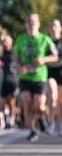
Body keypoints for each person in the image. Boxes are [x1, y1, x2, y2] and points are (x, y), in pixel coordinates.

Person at [13, 13, 58, 142]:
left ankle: (42, 118)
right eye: (29, 21)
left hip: (40, 77)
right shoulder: (21, 39)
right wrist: (19, 66)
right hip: (25, 76)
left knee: (38, 105)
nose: (31, 24)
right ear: (26, 24)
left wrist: (43, 59)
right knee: (26, 101)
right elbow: (15, 57)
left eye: (33, 22)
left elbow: (55, 56)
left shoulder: (45, 39)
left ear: (38, 24)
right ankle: (32, 130)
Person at [0, 33, 20, 129]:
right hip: (2, 80)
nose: (5, 43)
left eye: (7, 41)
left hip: (13, 80)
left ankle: (12, 118)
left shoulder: (14, 53)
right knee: (3, 101)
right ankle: (6, 118)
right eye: (4, 41)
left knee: (11, 100)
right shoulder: (1, 53)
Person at [46, 19, 62, 135]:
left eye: (56, 26)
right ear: (48, 29)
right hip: (49, 73)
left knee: (60, 102)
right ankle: (50, 121)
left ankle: (59, 125)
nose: (53, 28)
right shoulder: (45, 41)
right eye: (51, 26)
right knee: (53, 96)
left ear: (60, 28)